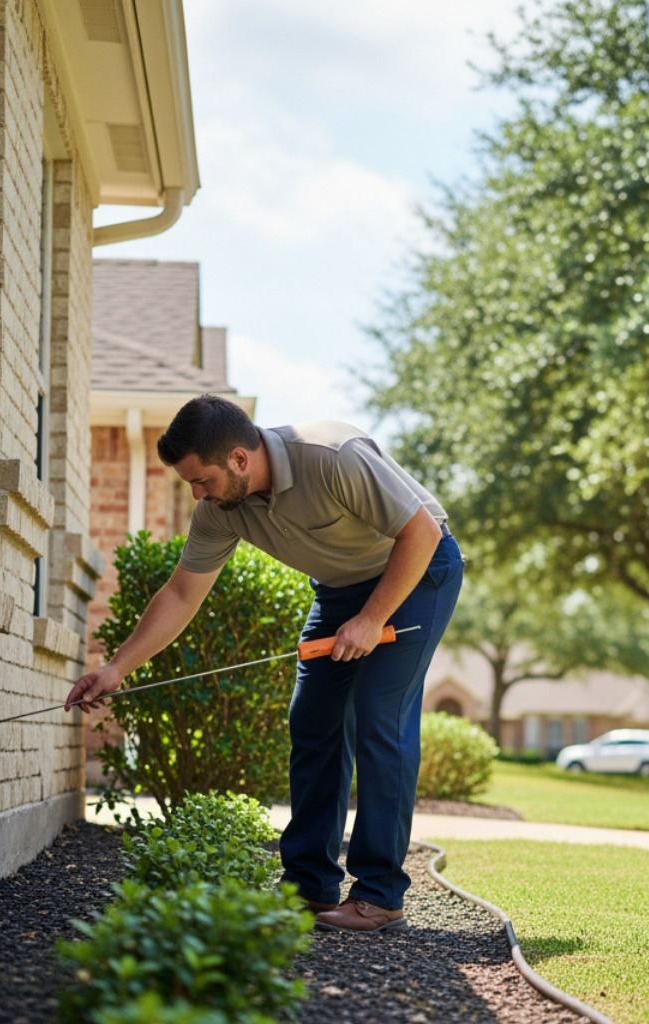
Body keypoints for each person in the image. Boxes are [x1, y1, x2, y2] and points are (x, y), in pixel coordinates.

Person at [65, 395, 463, 933]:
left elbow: (423, 533)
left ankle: (380, 894)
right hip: (341, 590)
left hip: (418, 572)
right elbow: (183, 593)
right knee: (314, 721)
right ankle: (308, 888)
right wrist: (115, 669)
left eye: (200, 480)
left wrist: (371, 619)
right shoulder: (220, 510)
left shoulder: (331, 455)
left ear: (238, 459)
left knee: (378, 712)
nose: (196, 494)